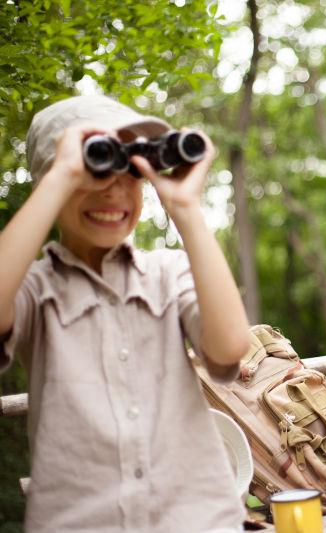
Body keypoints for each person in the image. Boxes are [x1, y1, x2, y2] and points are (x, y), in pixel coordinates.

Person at [0, 95, 252, 532]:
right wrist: (61, 176)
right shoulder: (34, 287)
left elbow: (230, 346)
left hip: (197, 520)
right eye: (98, 164)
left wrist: (187, 210)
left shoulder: (167, 273)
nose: (114, 188)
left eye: (132, 169)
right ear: (53, 176)